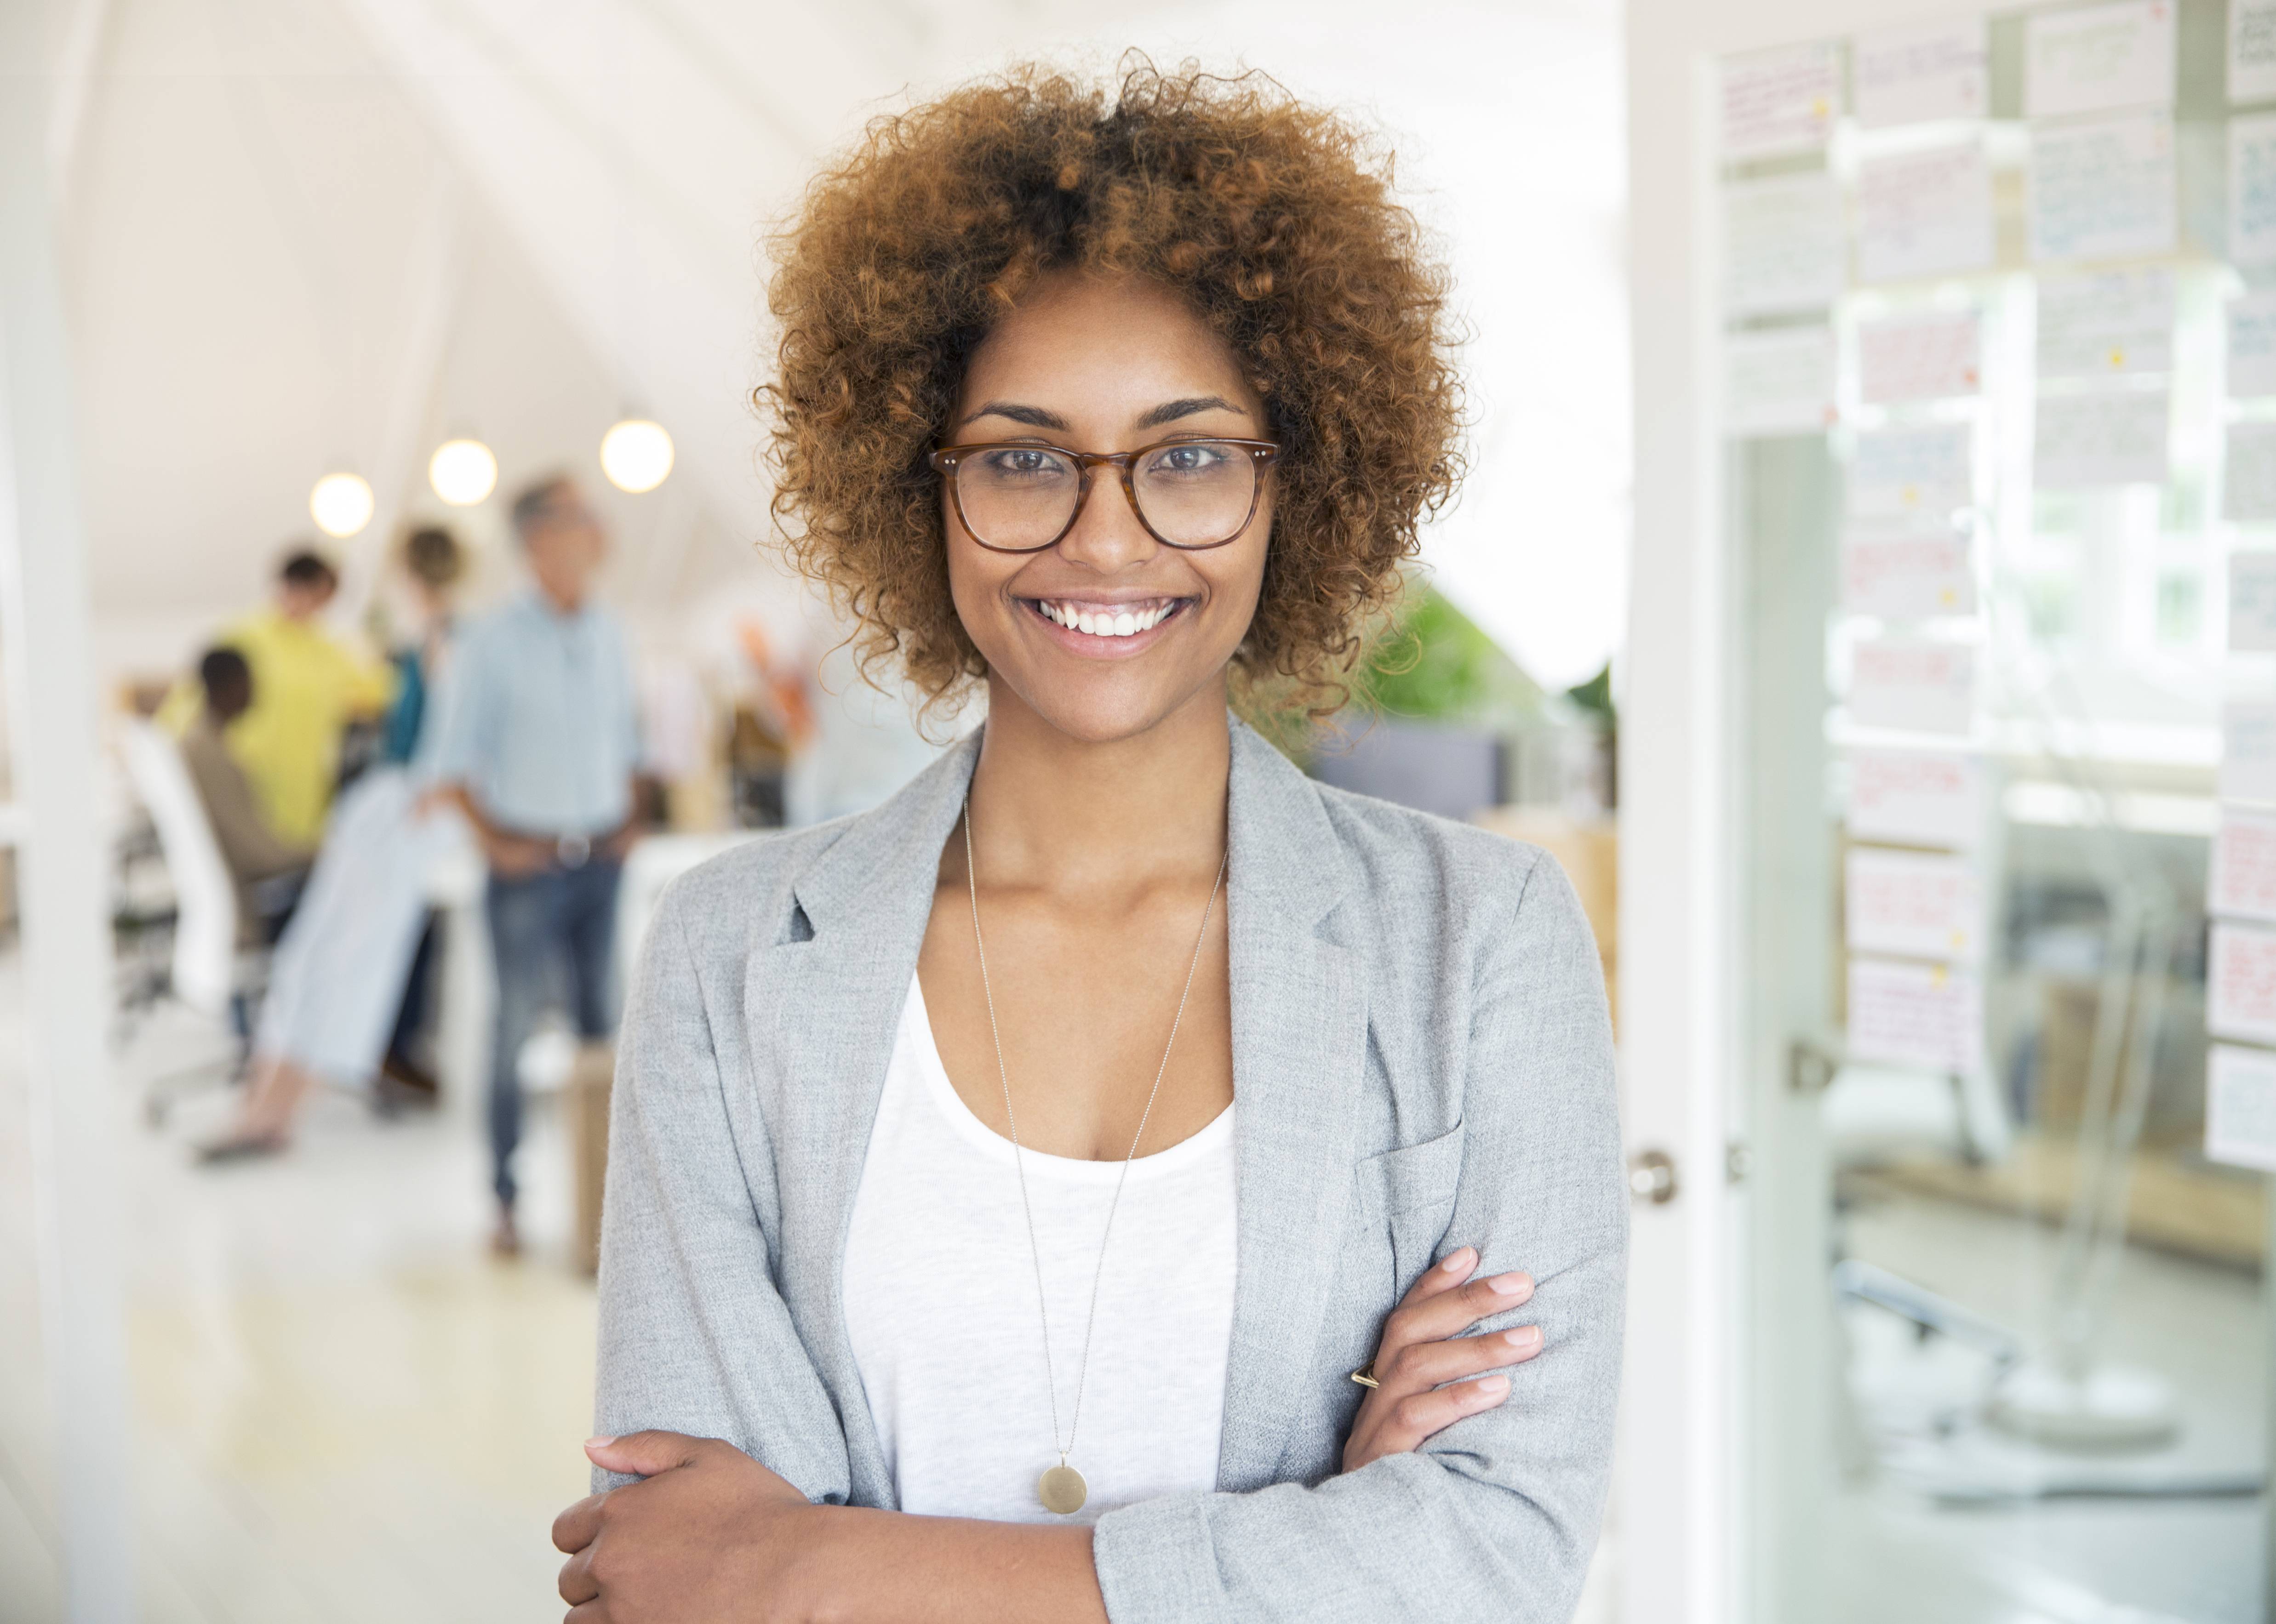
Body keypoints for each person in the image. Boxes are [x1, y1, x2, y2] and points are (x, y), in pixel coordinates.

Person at [555, 64, 1625, 1624]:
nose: (1106, 536)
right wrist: (1323, 1527)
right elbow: (676, 1581)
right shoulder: (733, 955)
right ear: (918, 488)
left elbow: (1498, 1559)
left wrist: (820, 1564)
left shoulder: (1482, 937)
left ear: (1295, 484)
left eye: (1188, 455)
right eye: (1022, 456)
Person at [195, 526, 474, 1163]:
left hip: (406, 814)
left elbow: (453, 742)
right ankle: (261, 1107)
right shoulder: (393, 648)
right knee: (311, 957)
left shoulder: (445, 645)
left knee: (344, 960)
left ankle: (272, 1111)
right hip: (371, 814)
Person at [426, 478, 644, 1256]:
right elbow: (447, 766)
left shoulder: (611, 629)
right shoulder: (489, 641)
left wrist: (630, 819)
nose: (600, 528)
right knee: (515, 1031)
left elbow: (629, 743)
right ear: (539, 539)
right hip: (527, 866)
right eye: (583, 516)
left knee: (603, 1032)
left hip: (600, 863)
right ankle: (505, 1201)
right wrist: (499, 844)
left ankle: (607, 1207)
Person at [165, 548, 394, 849]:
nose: (316, 607)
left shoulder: (328, 651)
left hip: (305, 800)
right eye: (315, 595)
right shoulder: (242, 636)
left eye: (325, 601)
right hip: (249, 785)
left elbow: (383, 690)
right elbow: (189, 699)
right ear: (289, 586)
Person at [177, 646, 312, 942]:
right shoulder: (208, 754)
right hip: (245, 917)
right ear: (230, 684)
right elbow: (261, 855)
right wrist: (320, 853)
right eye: (250, 680)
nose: (256, 690)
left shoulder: (201, 742)